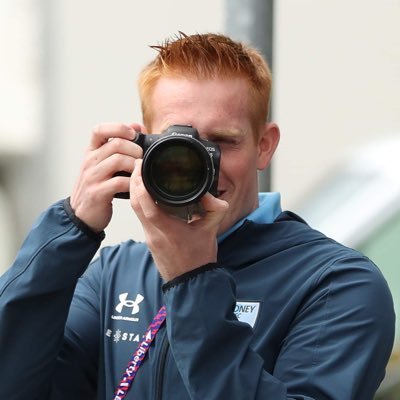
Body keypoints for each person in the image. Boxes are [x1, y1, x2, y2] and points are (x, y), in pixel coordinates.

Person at [0, 32, 395, 400]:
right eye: (178, 143)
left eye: (223, 141)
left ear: (264, 146)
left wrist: (191, 279)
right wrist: (71, 229)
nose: (202, 164)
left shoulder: (336, 285)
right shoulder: (114, 275)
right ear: (141, 146)